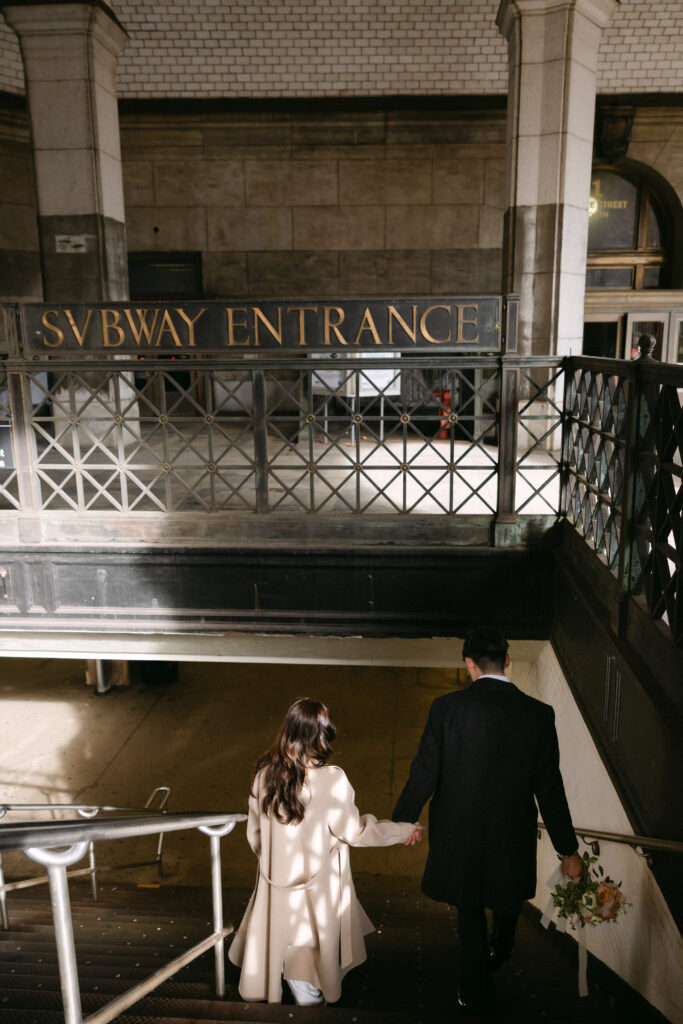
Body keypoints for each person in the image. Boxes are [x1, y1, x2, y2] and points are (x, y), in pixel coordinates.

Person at [392, 627, 583, 1017]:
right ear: (507, 661)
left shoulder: (445, 708)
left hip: (459, 832)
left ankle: (475, 992)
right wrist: (568, 848)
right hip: (512, 834)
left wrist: (402, 821)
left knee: (470, 909)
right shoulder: (538, 715)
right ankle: (502, 948)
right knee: (507, 897)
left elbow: (425, 770)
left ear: (469, 664)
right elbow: (549, 787)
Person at [229, 697, 423, 1005]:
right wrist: (401, 831)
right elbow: (355, 832)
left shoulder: (264, 775)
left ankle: (285, 985)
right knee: (309, 952)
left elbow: (254, 835)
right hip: (319, 888)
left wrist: (275, 860)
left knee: (280, 939)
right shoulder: (333, 780)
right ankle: (308, 1000)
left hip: (275, 886)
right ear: (320, 735)